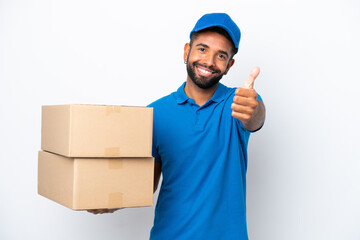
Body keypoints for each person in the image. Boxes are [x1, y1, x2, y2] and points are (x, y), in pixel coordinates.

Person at [89, 13, 265, 240]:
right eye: (202, 49)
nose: (209, 61)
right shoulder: (155, 113)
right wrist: (111, 201)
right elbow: (145, 184)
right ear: (186, 51)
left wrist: (254, 109)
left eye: (220, 55)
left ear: (229, 65)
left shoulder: (238, 103)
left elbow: (255, 117)